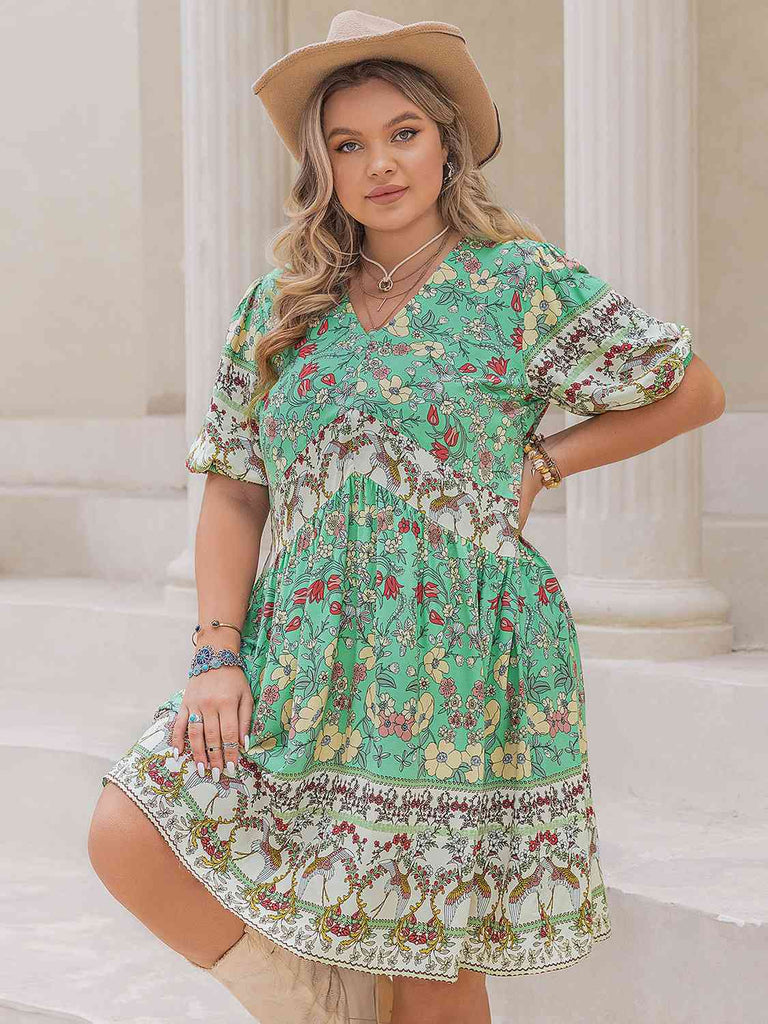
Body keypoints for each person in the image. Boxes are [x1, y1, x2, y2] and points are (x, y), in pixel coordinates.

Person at [87, 11, 725, 1024]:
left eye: (403, 133)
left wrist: (545, 461)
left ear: (446, 143)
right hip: (301, 645)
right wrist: (217, 651)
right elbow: (237, 487)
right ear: (322, 169)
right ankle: (317, 1008)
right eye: (348, 144)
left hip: (462, 651)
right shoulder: (283, 306)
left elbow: (692, 389)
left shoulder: (520, 282)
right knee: (129, 828)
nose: (379, 163)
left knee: (431, 963)